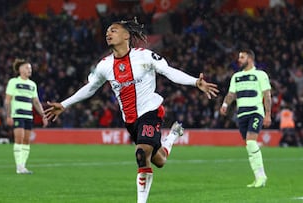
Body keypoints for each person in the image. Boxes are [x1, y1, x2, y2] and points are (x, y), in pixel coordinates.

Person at [45, 18, 219, 203]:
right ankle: (173, 136)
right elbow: (90, 87)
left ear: (126, 35)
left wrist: (195, 81)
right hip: (130, 120)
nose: (108, 34)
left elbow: (169, 71)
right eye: (107, 31)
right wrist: (64, 104)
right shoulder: (104, 65)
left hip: (151, 112)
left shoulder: (144, 56)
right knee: (158, 161)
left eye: (114, 30)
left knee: (141, 154)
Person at [220, 49, 272, 188]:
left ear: (250, 59)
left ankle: (261, 176)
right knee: (249, 146)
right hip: (241, 115)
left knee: (251, 142)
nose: (239, 60)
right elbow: (231, 94)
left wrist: (268, 114)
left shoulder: (260, 75)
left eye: (242, 57)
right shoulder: (236, 76)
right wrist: (225, 104)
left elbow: (267, 95)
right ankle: (258, 178)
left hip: (255, 112)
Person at [5, 58, 48, 174]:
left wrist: (43, 115)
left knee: (26, 140)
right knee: (19, 138)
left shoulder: (32, 84)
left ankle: (23, 166)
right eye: (27, 68)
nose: (30, 70)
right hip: (17, 114)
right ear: (20, 70)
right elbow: (8, 100)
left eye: (30, 68)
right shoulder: (13, 82)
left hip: (28, 116)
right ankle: (19, 166)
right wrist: (8, 116)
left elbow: (36, 102)